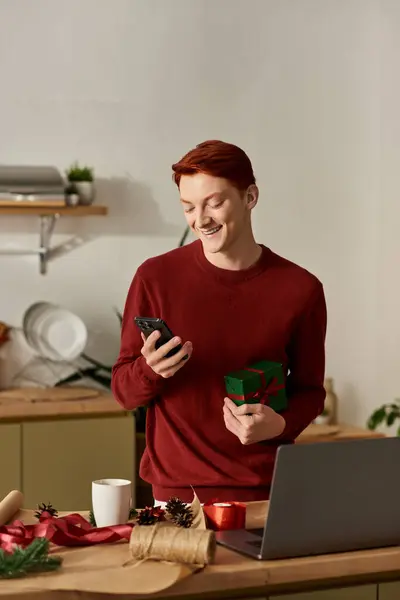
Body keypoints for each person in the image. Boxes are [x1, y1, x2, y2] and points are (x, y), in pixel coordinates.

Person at [111, 140, 327, 505]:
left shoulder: (300, 289)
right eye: (189, 207)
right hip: (176, 495)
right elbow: (123, 390)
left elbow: (310, 392)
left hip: (264, 493)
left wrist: (280, 425)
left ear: (250, 197)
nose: (201, 219)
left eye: (214, 202)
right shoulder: (155, 278)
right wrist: (150, 370)